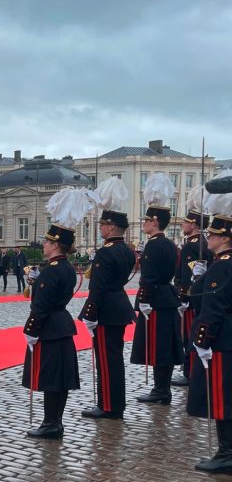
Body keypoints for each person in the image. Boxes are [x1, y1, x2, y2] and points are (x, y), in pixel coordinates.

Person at [22, 188, 92, 439]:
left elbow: (42, 305)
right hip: (61, 325)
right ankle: (54, 421)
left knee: (51, 380)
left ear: (55, 244)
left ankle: (51, 423)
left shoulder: (52, 270)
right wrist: (34, 282)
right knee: (58, 380)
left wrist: (30, 329)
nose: (43, 244)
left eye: (47, 241)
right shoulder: (63, 268)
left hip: (49, 328)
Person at [79, 177, 136, 420]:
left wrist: (89, 313)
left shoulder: (106, 251)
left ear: (112, 227)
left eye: (103, 225)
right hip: (120, 306)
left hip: (106, 310)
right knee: (114, 359)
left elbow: (98, 288)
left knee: (106, 360)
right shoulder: (127, 250)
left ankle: (109, 406)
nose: (100, 228)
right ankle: (114, 404)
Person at [187, 193, 232, 474]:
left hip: (222, 340)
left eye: (213, 235)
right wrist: (198, 278)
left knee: (222, 396)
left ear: (225, 237)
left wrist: (202, 341)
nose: (209, 239)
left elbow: (213, 307)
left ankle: (226, 452)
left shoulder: (223, 265)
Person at [132, 173, 182, 405]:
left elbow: (148, 277)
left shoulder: (153, 245)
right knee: (165, 346)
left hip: (156, 301)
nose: (144, 224)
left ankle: (160, 389)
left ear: (154, 222)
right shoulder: (171, 244)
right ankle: (162, 388)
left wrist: (144, 300)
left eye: (146, 220)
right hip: (168, 297)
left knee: (158, 346)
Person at [172, 190, 212, 388]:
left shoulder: (192, 246)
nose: (183, 224)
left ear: (194, 224)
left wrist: (183, 297)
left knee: (189, 335)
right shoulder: (202, 243)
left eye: (186, 222)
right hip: (197, 296)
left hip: (189, 298)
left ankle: (189, 371)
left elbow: (188, 276)